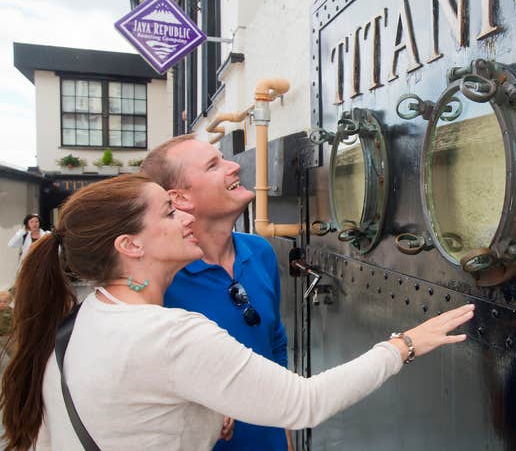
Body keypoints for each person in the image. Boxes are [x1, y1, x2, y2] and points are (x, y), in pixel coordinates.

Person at [0, 174, 474, 450]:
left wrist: (203, 413)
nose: (184, 216)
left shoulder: (84, 318)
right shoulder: (168, 335)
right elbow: (304, 403)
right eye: (168, 212)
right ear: (130, 245)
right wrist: (405, 345)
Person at [140, 135, 292, 450]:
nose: (235, 165)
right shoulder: (159, 278)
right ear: (179, 198)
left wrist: (285, 434)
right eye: (214, 165)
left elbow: (274, 342)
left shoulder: (260, 251)